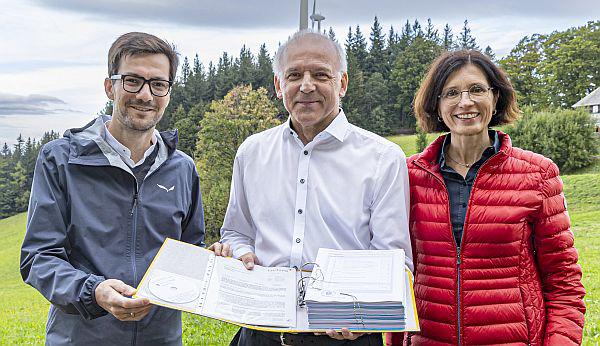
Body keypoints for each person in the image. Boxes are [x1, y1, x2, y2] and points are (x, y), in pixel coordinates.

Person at [210, 30, 413, 345]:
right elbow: (237, 233)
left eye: (321, 74)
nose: (306, 85)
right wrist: (241, 254)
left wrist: (364, 316)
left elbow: (393, 259)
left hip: (345, 336)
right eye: (294, 75)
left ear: (342, 83)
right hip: (261, 331)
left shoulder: (383, 158)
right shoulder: (252, 152)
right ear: (279, 85)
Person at [387, 49, 586, 345]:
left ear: (495, 97)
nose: (465, 102)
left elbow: (563, 282)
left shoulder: (538, 174)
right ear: (437, 105)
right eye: (451, 93)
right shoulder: (407, 175)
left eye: (477, 89)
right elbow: (395, 272)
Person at [20, 32, 205, 345]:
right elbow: (39, 258)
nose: (146, 95)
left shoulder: (182, 168)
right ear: (110, 87)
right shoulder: (61, 160)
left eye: (158, 84)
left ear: (168, 92)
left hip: (161, 339)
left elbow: (190, 249)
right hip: (80, 338)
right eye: (133, 81)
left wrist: (211, 263)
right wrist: (94, 291)